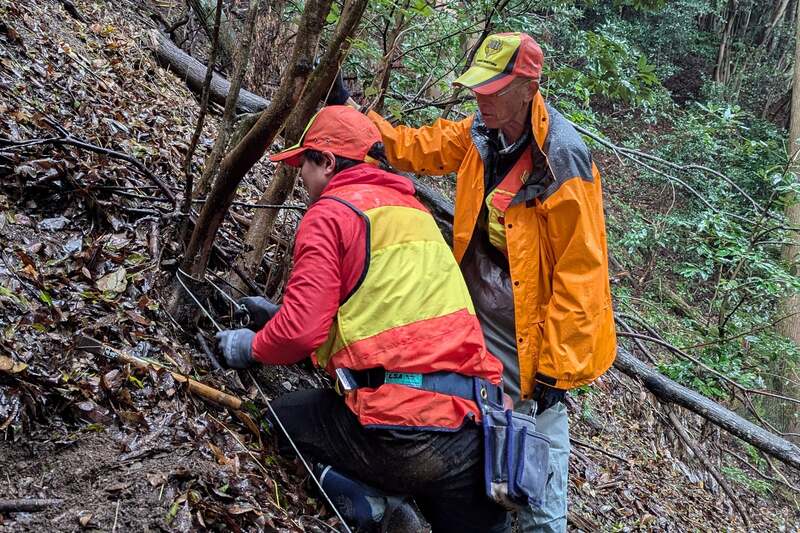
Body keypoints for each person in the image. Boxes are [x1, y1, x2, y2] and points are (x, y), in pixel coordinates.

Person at [330, 32, 618, 532]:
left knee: (529, 446)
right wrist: (354, 115)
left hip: (532, 329)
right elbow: (412, 147)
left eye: (494, 89)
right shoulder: (481, 135)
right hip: (473, 305)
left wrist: (555, 369)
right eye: (478, 88)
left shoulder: (563, 158)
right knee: (470, 420)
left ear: (528, 89)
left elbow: (582, 272)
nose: (481, 98)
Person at [215, 105, 510, 533]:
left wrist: (251, 346)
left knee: (282, 419)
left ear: (328, 162)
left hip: (402, 435)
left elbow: (301, 333)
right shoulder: (416, 215)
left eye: (306, 164)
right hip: (477, 430)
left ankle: (372, 503)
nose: (302, 177)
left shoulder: (331, 213)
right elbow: (385, 320)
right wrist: (278, 317)